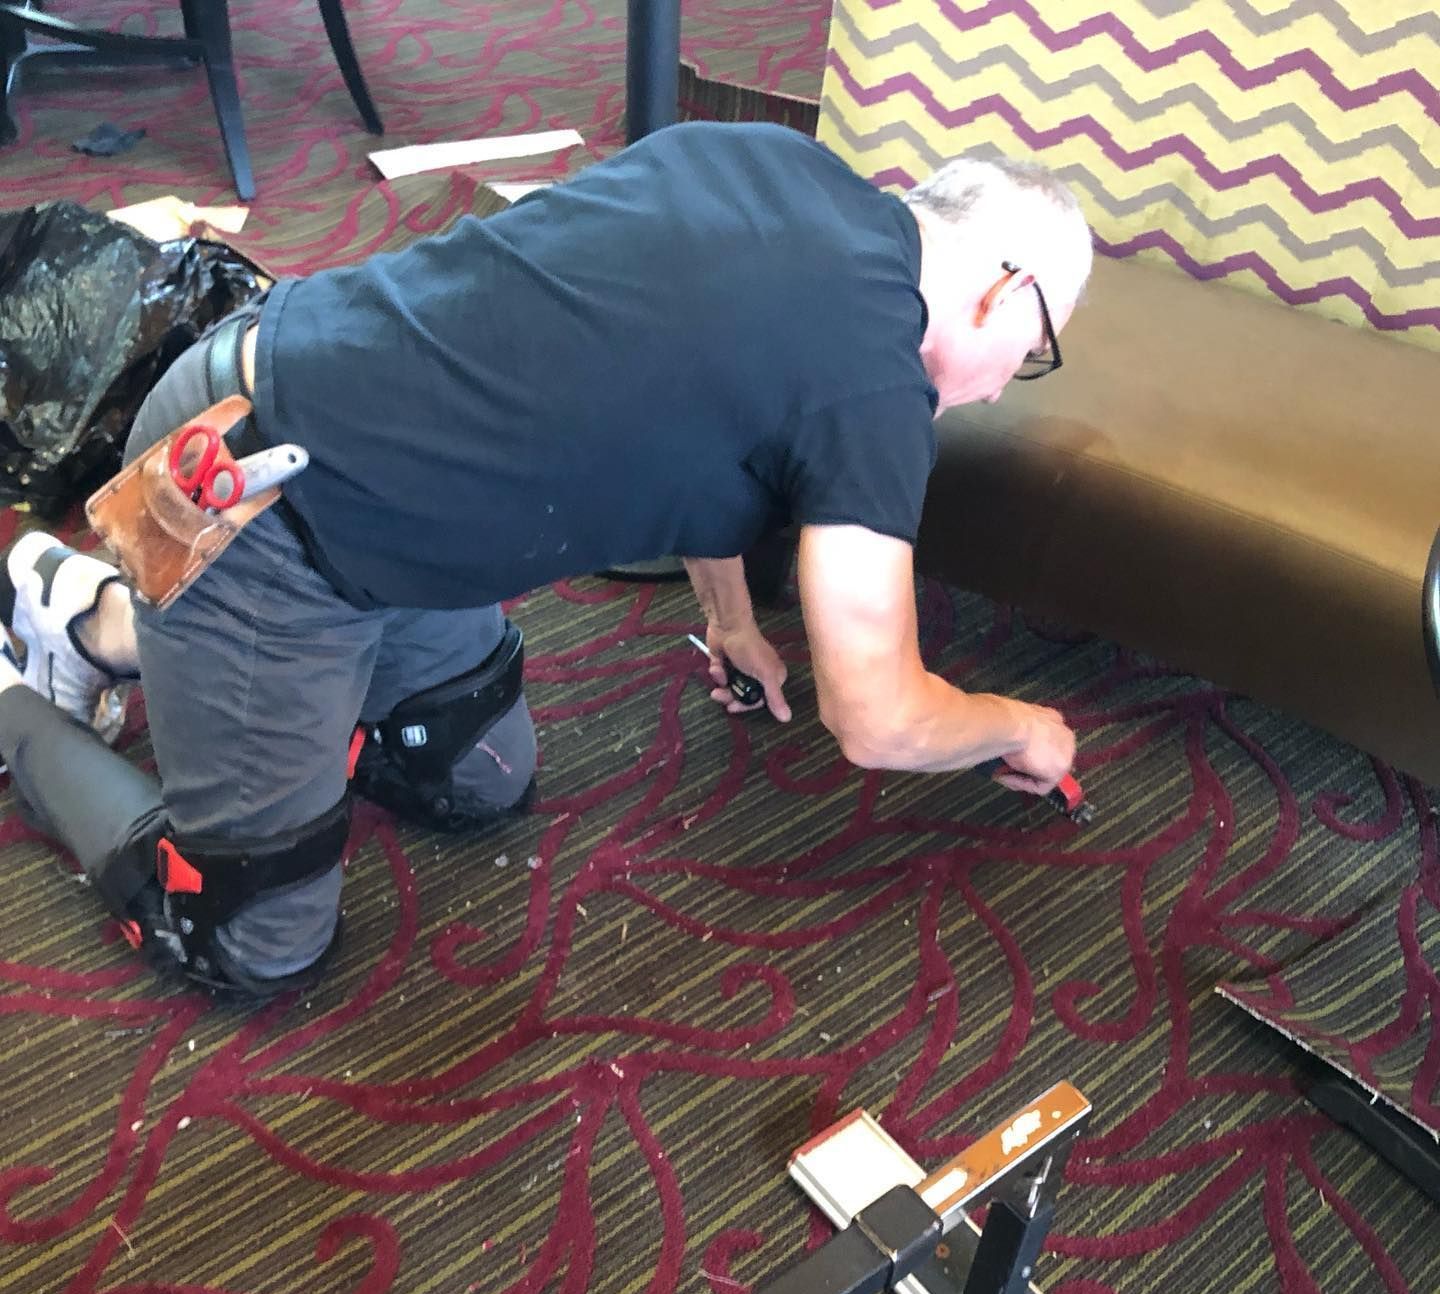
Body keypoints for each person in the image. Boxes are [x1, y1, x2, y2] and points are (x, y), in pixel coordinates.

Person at [0, 121, 1092, 1001]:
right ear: (1004, 293)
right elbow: (879, 718)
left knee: (477, 776)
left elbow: (702, 421)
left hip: (372, 498)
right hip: (246, 497)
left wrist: (728, 617)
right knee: (251, 936)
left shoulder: (782, 168)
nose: (1003, 386)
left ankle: (93, 608)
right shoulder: (876, 388)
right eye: (1035, 355)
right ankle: (22, 694)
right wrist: (1020, 725)